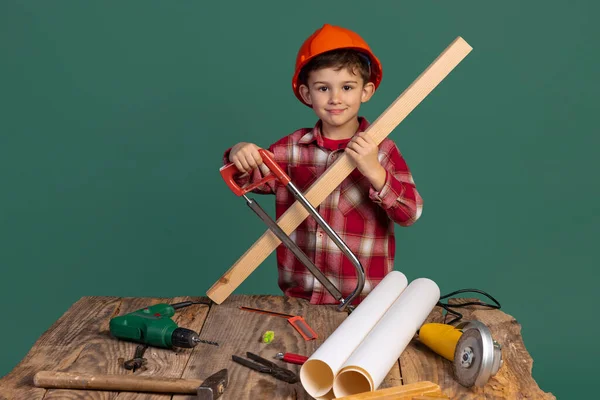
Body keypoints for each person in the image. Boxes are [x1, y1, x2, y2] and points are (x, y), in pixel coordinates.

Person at [223, 24, 423, 305]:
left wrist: (375, 172)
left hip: (365, 302)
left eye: (347, 87)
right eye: (323, 88)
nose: (335, 98)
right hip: (299, 298)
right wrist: (240, 153)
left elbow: (410, 213)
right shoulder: (290, 149)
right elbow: (245, 178)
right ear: (307, 94)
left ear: (366, 91)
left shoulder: (382, 150)